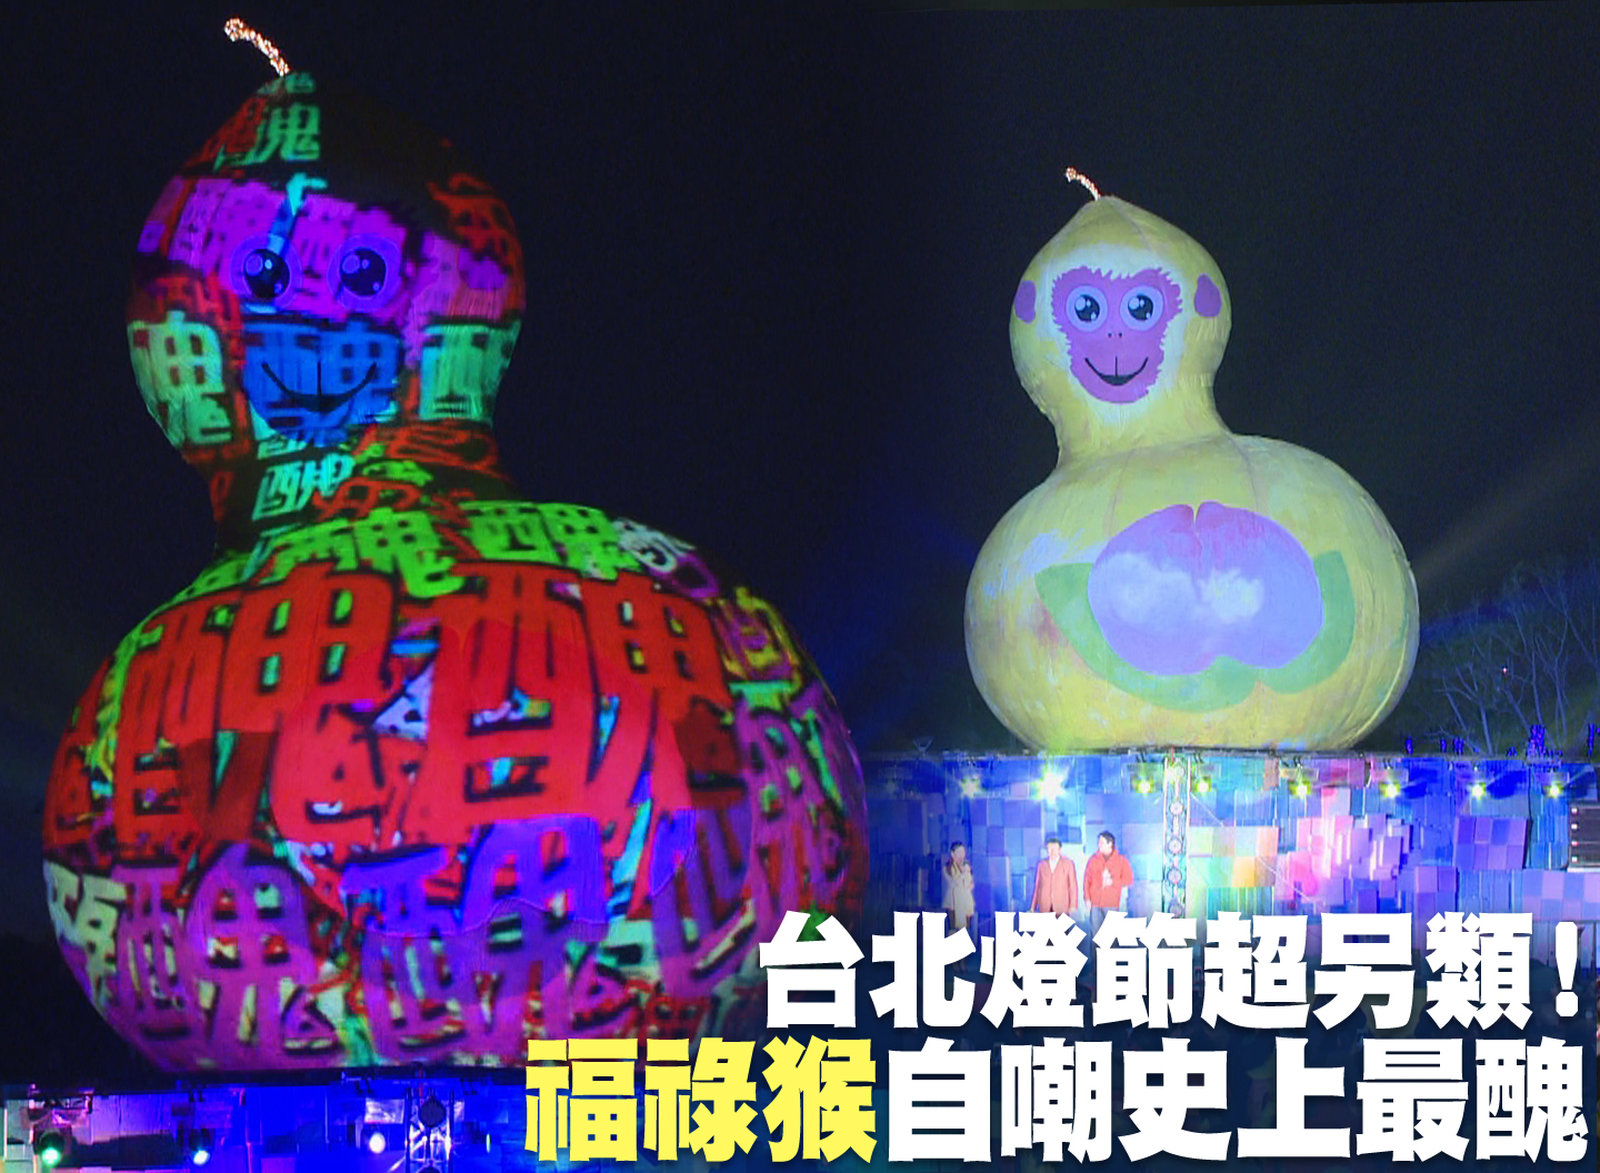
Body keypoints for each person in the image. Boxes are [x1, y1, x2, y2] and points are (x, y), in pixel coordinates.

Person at [1084, 831, 1133, 934]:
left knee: (1111, 935)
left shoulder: (1121, 860)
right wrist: (1087, 898)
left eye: (1101, 842)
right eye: (1098, 842)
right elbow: (1087, 881)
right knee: (1095, 934)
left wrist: (1113, 882)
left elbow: (1129, 880)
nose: (1099, 845)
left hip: (1111, 903)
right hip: (1095, 903)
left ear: (1110, 844)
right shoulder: (1093, 860)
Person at [1031, 836, 1078, 916]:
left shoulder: (1068, 864)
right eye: (1049, 849)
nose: (1052, 851)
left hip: (1061, 906)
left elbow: (1073, 886)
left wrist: (1073, 905)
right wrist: (1033, 906)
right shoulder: (1041, 864)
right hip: (1044, 906)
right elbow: (1037, 886)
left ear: (1059, 849)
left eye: (1054, 849)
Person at [942, 842, 976, 933]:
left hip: (966, 902)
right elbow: (953, 882)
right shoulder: (947, 868)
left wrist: (969, 884)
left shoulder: (966, 866)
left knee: (966, 929)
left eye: (963, 852)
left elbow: (971, 883)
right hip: (953, 902)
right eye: (959, 852)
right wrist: (963, 874)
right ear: (952, 854)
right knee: (953, 929)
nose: (962, 855)